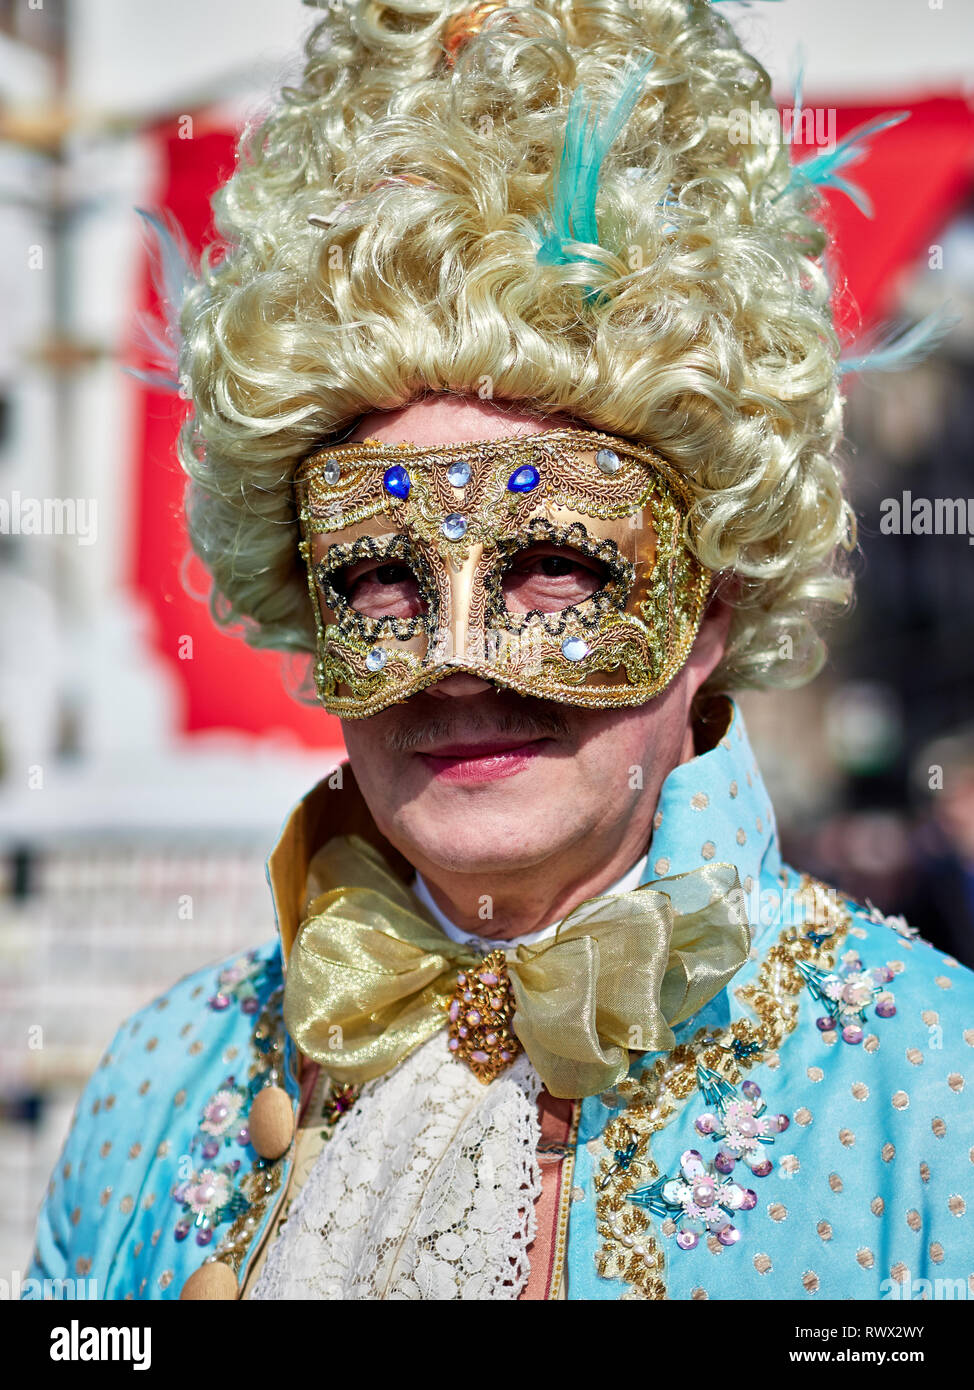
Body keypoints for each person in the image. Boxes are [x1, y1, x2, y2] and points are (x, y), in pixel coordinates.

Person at [27, 0, 973, 1301]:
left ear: (714, 597)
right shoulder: (159, 1089)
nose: (454, 662)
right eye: (376, 573)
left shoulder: (929, 1095)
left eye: (554, 561)